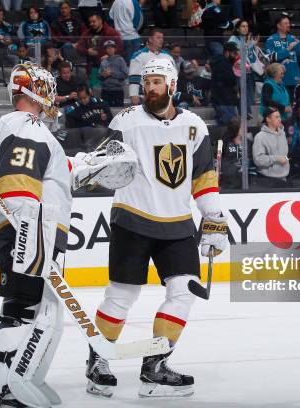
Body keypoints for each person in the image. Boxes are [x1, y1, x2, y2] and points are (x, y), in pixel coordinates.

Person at [80, 58, 228, 399]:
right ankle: (98, 360)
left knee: (184, 292)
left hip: (177, 225)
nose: (150, 88)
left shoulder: (195, 127)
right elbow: (105, 167)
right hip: (132, 219)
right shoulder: (126, 122)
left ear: (173, 85)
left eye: (157, 82)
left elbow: (204, 180)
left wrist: (214, 219)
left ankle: (155, 366)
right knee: (122, 295)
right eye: (146, 83)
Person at [0, 62, 72, 407]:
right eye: (47, 90)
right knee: (28, 310)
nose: (52, 98)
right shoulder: (29, 125)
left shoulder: (18, 126)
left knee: (16, 307)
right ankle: (3, 391)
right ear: (35, 91)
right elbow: (19, 185)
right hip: (28, 230)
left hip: (21, 229)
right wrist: (29, 235)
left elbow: (39, 175)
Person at [265, 15, 300, 98]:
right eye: (286, 23)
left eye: (289, 23)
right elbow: (270, 58)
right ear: (278, 25)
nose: (289, 25)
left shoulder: (294, 39)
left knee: (296, 106)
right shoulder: (271, 40)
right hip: (279, 80)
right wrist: (287, 49)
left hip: (295, 78)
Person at [128, 29, 174, 105]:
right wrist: (134, 95)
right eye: (158, 38)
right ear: (150, 39)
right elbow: (134, 77)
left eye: (162, 38)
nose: (161, 40)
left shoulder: (168, 56)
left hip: (163, 96)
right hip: (145, 96)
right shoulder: (139, 56)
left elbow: (173, 77)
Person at [228, 19, 261, 118]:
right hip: (237, 72)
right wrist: (248, 45)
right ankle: (243, 114)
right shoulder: (233, 39)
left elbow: (249, 55)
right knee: (241, 94)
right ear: (238, 29)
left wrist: (252, 45)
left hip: (248, 71)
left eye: (247, 26)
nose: (245, 28)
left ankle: (248, 114)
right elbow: (236, 54)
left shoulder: (248, 39)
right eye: (243, 26)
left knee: (250, 95)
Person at [76, 12, 124, 81]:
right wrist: (87, 51)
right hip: (93, 68)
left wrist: (110, 55)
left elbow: (120, 49)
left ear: (100, 20)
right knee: (94, 90)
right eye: (90, 22)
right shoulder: (88, 33)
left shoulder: (111, 32)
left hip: (109, 68)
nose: (91, 24)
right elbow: (79, 47)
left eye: (93, 21)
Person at [252, 106, 290, 188]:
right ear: (268, 119)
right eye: (276, 117)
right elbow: (258, 160)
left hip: (284, 179)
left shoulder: (282, 134)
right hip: (267, 182)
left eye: (279, 116)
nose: (279, 119)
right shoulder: (260, 137)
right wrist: (277, 158)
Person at [210, 42, 240, 125]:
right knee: (230, 126)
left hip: (226, 100)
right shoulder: (222, 64)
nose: (235, 56)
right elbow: (231, 80)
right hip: (223, 101)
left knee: (231, 125)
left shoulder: (225, 63)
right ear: (227, 53)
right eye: (234, 53)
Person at [99, 40, 128, 107]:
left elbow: (125, 74)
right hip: (105, 91)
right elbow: (99, 76)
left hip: (117, 90)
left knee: (118, 112)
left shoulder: (120, 60)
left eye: (112, 47)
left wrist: (111, 73)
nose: (110, 49)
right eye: (108, 48)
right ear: (105, 50)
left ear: (115, 49)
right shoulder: (103, 61)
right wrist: (103, 75)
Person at [221, 118, 243, 189]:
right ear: (236, 129)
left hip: (245, 180)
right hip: (230, 182)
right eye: (242, 127)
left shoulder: (248, 142)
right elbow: (224, 164)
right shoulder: (226, 144)